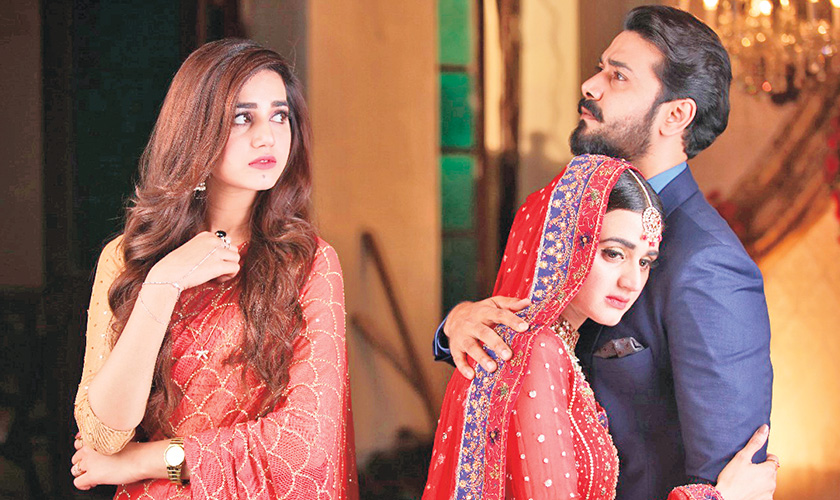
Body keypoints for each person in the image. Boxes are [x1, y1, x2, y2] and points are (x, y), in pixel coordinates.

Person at [432, 6, 773, 499]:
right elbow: (525, 356)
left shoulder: (708, 264)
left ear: (676, 115)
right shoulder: (569, 214)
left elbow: (729, 477)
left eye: (618, 76)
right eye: (600, 69)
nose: (590, 85)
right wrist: (458, 325)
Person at [70, 39, 358, 499]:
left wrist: (142, 461)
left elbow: (305, 445)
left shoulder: (308, 263)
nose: (267, 137)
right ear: (196, 131)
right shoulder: (128, 258)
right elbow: (103, 435)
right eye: (242, 117)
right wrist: (162, 285)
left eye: (279, 116)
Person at [423, 155, 777, 500]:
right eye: (613, 253)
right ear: (564, 244)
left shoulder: (551, 345)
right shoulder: (537, 351)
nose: (632, 281)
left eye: (645, 261)